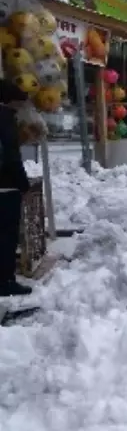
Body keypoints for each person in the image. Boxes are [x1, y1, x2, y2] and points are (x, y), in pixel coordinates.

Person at [0, 78, 32, 296]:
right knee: (6, 235)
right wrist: (23, 183)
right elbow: (11, 156)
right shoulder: (4, 119)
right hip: (5, 187)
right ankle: (5, 281)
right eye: (19, 104)